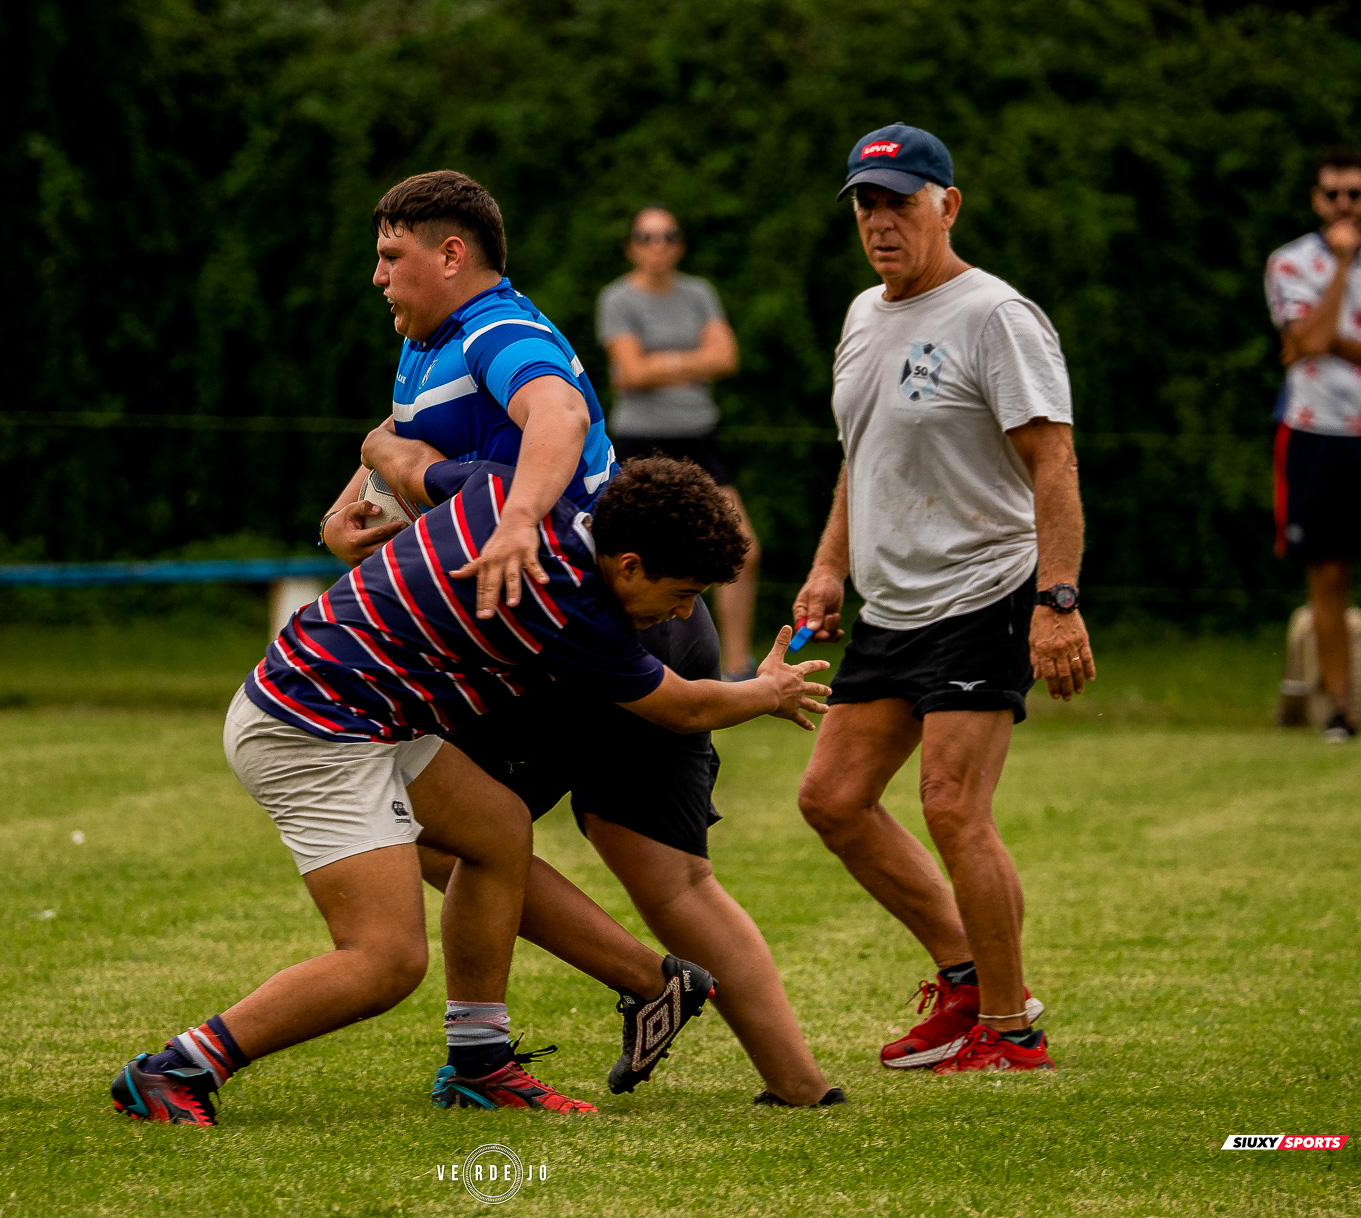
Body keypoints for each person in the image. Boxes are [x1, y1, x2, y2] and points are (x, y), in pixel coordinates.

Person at [112, 449, 834, 1125]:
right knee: (385, 961)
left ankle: (480, 1065)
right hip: (314, 730)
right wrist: (766, 691)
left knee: (497, 831)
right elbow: (688, 707)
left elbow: (398, 455)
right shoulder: (568, 606)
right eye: (681, 595)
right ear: (630, 563)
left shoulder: (515, 487)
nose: (682, 614)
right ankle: (177, 1070)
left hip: (355, 708)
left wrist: (351, 505)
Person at [321, 171, 841, 1108]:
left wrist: (516, 520)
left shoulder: (500, 330)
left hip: (599, 621)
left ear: (452, 256)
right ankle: (729, 1051)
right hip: (574, 623)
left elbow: (555, 414)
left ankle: (735, 1050)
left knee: (553, 854)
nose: (378, 277)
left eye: (392, 257)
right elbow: (393, 440)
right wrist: (358, 498)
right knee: (480, 839)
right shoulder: (429, 344)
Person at [792, 124, 1095, 1075]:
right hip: (891, 606)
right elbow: (863, 457)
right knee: (833, 799)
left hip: (986, 590)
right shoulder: (860, 315)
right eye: (867, 206)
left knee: (951, 805)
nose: (881, 222)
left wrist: (1058, 598)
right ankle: (963, 981)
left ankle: (1011, 1033)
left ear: (946, 206)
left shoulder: (996, 316)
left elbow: (1052, 458)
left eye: (901, 203)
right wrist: (830, 567)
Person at [597, 206, 760, 678]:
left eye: (668, 236)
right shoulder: (617, 298)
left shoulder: (699, 293)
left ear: (680, 244)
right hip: (638, 440)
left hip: (698, 437)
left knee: (743, 546)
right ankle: (625, 658)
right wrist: (693, 361)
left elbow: (727, 356)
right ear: (631, 246)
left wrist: (659, 364)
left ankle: (735, 669)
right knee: (626, 556)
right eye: (646, 237)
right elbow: (629, 372)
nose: (658, 246)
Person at [1266, 148, 1361, 743]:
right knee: (1328, 573)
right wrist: (1341, 268)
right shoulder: (1290, 263)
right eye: (1332, 194)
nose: (1343, 204)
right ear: (1317, 200)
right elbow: (1304, 339)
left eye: (1354, 194)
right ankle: (1341, 710)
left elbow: (1319, 343)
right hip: (1316, 432)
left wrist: (1324, 343)